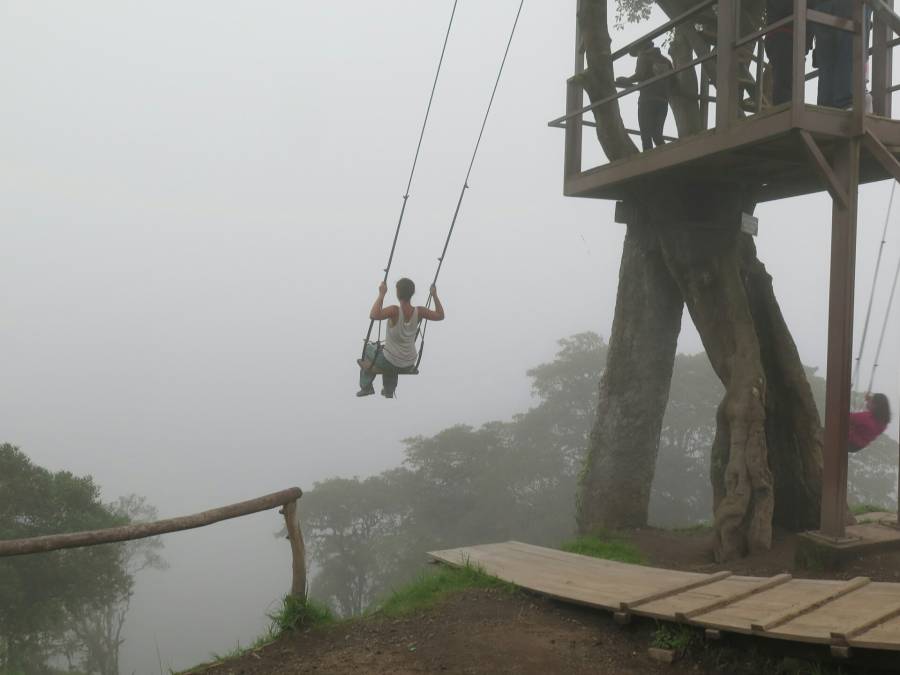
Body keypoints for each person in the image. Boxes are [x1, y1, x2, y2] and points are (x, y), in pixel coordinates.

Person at [356, 278, 445, 398]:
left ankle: (366, 387)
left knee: (369, 349)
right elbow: (440, 315)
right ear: (412, 293)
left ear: (398, 293)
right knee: (389, 355)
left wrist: (381, 294)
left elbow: (373, 315)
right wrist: (434, 295)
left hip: (390, 360)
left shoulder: (394, 311)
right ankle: (388, 390)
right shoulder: (420, 311)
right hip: (409, 362)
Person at [615, 41, 672, 151]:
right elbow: (673, 81)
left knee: (645, 134)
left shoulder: (643, 57)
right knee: (657, 134)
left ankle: (648, 161)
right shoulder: (666, 61)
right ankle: (668, 155)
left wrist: (626, 80)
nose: (637, 54)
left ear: (640, 48)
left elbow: (640, 75)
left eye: (637, 52)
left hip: (647, 100)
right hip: (663, 102)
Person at [765, 0, 798, 105]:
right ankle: (784, 112)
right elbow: (783, 7)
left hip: (784, 36)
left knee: (787, 80)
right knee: (784, 81)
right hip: (781, 35)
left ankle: (786, 111)